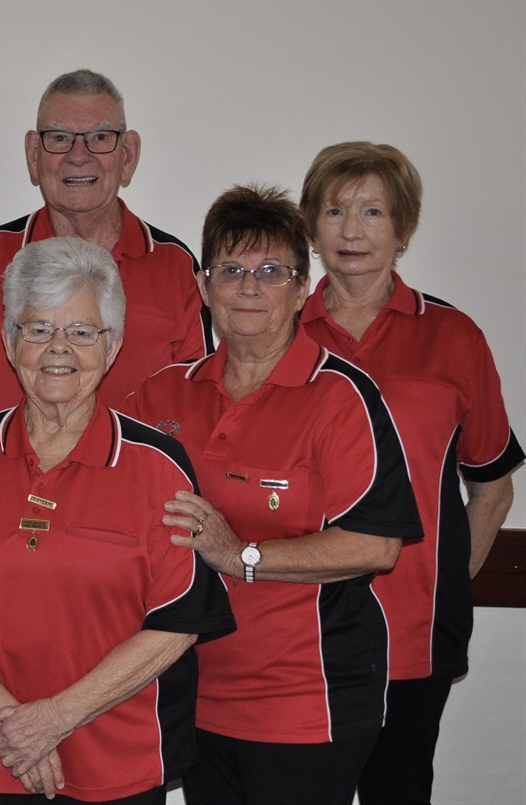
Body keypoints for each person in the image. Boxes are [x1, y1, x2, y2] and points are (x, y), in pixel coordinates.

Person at [126, 185, 423, 805]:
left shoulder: (342, 397)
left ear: (300, 287)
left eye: (270, 272)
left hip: (305, 705)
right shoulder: (160, 397)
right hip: (190, 695)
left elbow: (377, 544)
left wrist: (242, 556)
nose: (250, 288)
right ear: (205, 289)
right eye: (230, 271)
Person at [0, 237, 235, 803]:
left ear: (113, 345)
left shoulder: (156, 467)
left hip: (117, 765)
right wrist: (14, 724)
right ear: (8, 341)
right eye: (38, 329)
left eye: (81, 332)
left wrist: (51, 720)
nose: (58, 349)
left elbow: (176, 625)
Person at [298, 142, 523, 805]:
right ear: (312, 224)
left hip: (415, 632)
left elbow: (492, 484)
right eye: (335, 210)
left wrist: (448, 576)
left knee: (399, 790)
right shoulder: (278, 334)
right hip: (298, 630)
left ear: (403, 230)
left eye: (373, 211)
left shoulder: (453, 337)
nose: (351, 230)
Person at [0, 69, 210, 432]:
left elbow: (198, 403)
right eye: (59, 138)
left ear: (128, 156)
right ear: (33, 154)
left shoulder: (175, 267)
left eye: (100, 138)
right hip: (1, 484)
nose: (79, 156)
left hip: (137, 486)